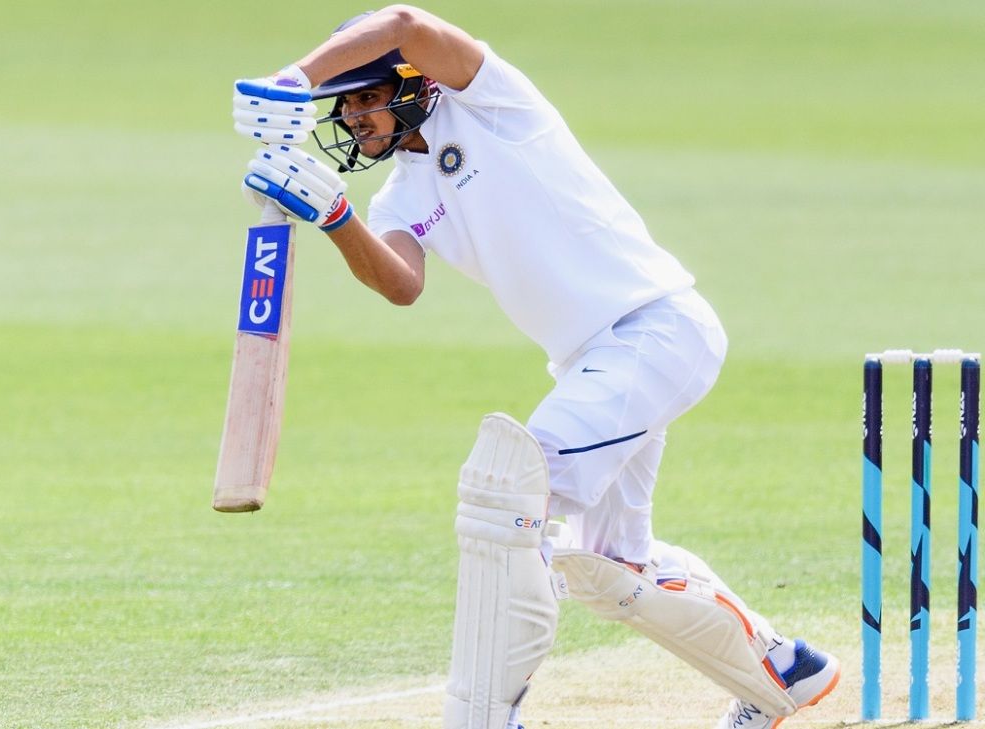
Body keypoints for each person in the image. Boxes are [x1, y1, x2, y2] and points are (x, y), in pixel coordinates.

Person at [230, 6, 839, 729]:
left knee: (506, 494)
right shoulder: (402, 192)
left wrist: (295, 76)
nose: (354, 116)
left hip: (655, 328)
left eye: (366, 96)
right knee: (609, 568)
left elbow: (404, 21)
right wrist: (335, 214)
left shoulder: (492, 102)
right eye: (346, 104)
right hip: (601, 359)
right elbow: (402, 282)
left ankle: (484, 718)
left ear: (413, 83)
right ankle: (784, 671)